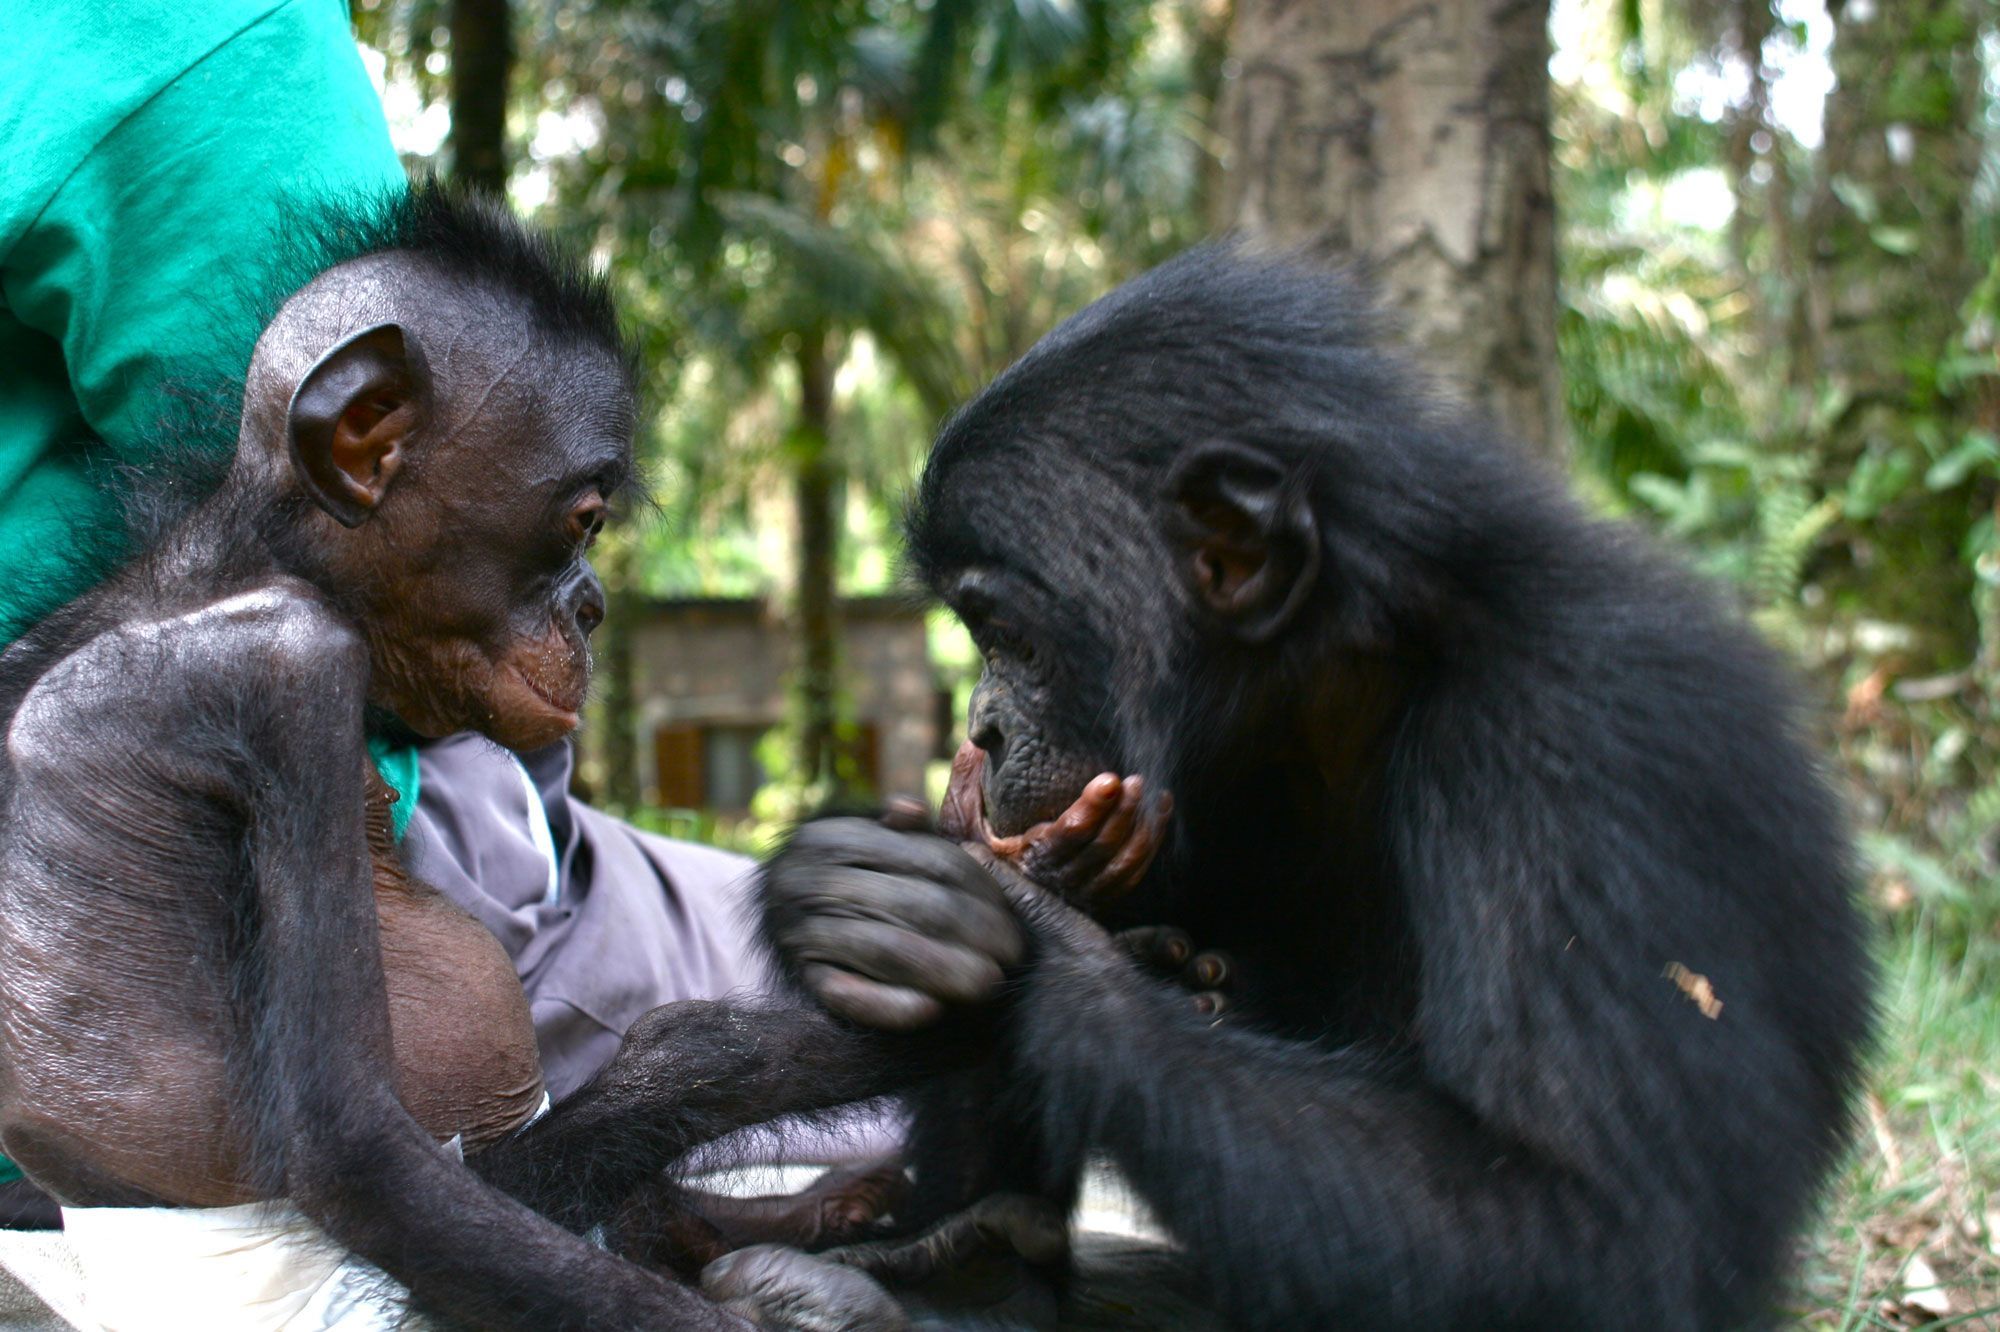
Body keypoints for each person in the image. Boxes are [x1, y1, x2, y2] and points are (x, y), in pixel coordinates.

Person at [0, 0, 828, 1229]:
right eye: (576, 536)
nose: (587, 603)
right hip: (257, 965)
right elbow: (365, 1168)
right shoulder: (195, 36)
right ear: (365, 438)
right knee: (838, 970)